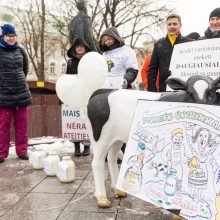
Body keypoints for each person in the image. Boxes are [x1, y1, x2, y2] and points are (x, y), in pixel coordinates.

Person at [0, 24, 32, 163]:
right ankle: (1, 153)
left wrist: (18, 82)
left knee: (22, 126)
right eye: (9, 36)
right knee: (3, 127)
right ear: (3, 36)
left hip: (21, 95)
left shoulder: (21, 51)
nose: (11, 38)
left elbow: (24, 70)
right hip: (4, 96)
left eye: (13, 36)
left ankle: (22, 151)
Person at [147, 14, 193, 92]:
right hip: (164, 88)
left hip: (185, 89)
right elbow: (152, 70)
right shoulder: (158, 44)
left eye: (175, 24)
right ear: (166, 26)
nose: (172, 27)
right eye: (169, 24)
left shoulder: (189, 43)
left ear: (180, 25)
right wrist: (152, 91)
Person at [66, 37, 91, 157]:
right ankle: (76, 145)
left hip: (86, 94)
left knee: (85, 120)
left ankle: (87, 145)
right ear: (74, 48)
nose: (80, 48)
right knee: (74, 120)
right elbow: (67, 78)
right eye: (77, 46)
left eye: (82, 46)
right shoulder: (70, 62)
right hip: (73, 94)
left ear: (85, 48)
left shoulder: (90, 60)